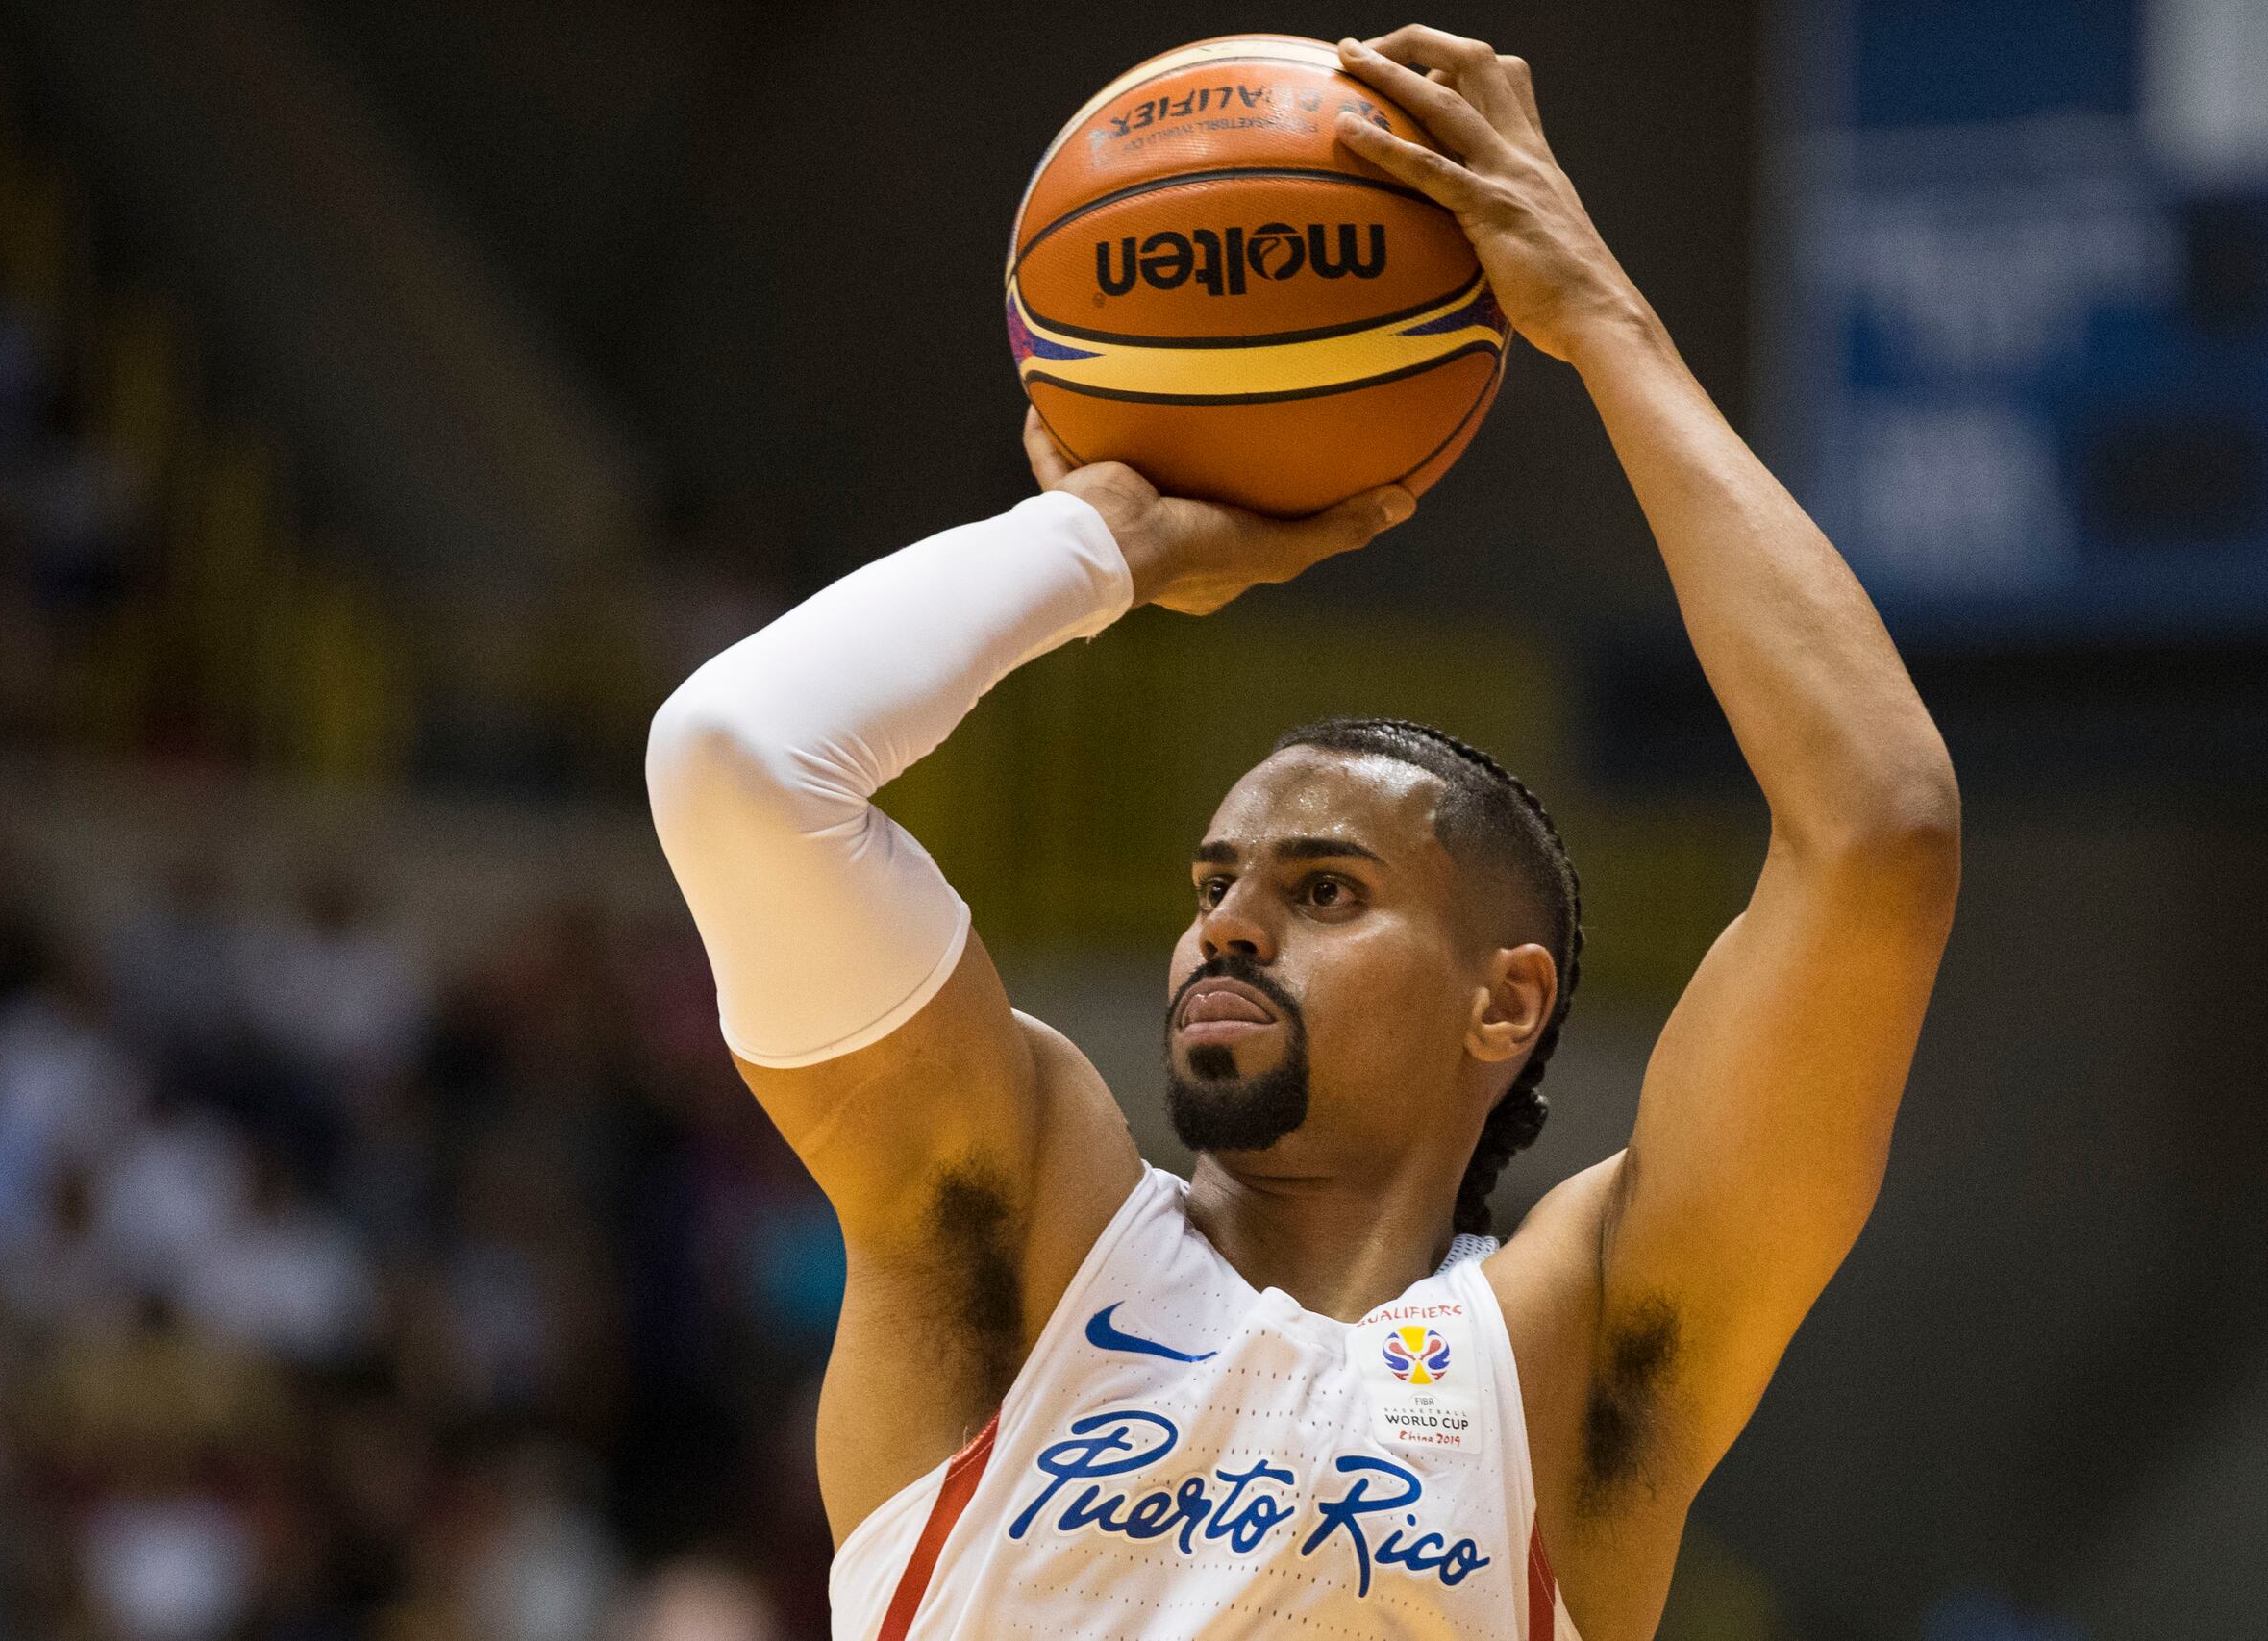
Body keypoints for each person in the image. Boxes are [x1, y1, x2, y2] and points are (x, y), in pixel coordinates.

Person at [645, 28, 1959, 1641]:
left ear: (1509, 999)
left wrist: (1604, 324)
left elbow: (1881, 832)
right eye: (1216, 885)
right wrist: (1098, 544)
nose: (1230, 923)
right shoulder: (1018, 1223)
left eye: (1325, 886)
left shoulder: (1575, 1346)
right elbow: (736, 762)